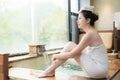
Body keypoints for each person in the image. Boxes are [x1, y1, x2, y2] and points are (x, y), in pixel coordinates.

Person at [32, 6, 109, 79]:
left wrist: (55, 55)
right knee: (70, 45)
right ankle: (50, 71)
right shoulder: (91, 33)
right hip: (99, 70)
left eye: (80, 18)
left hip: (98, 70)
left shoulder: (90, 34)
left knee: (70, 45)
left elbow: (72, 54)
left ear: (88, 20)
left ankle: (49, 71)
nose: (77, 21)